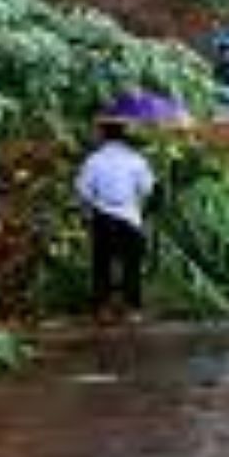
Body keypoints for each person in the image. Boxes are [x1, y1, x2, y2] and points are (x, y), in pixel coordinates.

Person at [76, 117, 156, 321]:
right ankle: (133, 310)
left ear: (102, 135)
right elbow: (147, 189)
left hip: (102, 216)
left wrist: (91, 207)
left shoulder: (94, 160)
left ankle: (102, 309)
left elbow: (83, 191)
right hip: (129, 216)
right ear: (124, 134)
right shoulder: (136, 159)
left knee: (101, 265)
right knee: (132, 266)